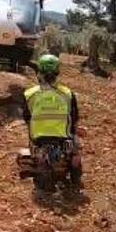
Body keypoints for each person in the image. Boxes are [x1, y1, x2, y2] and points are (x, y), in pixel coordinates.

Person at [21, 54, 82, 189]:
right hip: (63, 139)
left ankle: (37, 165)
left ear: (39, 73)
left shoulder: (29, 94)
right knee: (76, 150)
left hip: (38, 139)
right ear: (57, 73)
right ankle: (75, 179)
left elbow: (26, 117)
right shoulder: (67, 93)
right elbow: (75, 118)